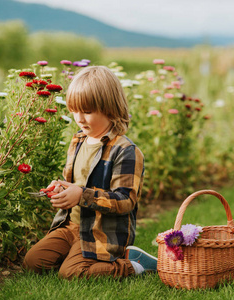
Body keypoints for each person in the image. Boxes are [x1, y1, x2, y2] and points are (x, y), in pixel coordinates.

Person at [23, 66, 157, 279]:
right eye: (74, 110)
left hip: (101, 231)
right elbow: (76, 181)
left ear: (110, 109)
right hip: (71, 226)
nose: (79, 118)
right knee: (33, 262)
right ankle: (76, 254)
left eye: (87, 111)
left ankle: (135, 265)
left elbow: (125, 201)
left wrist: (81, 195)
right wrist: (61, 187)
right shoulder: (78, 140)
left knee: (71, 273)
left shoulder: (125, 151)